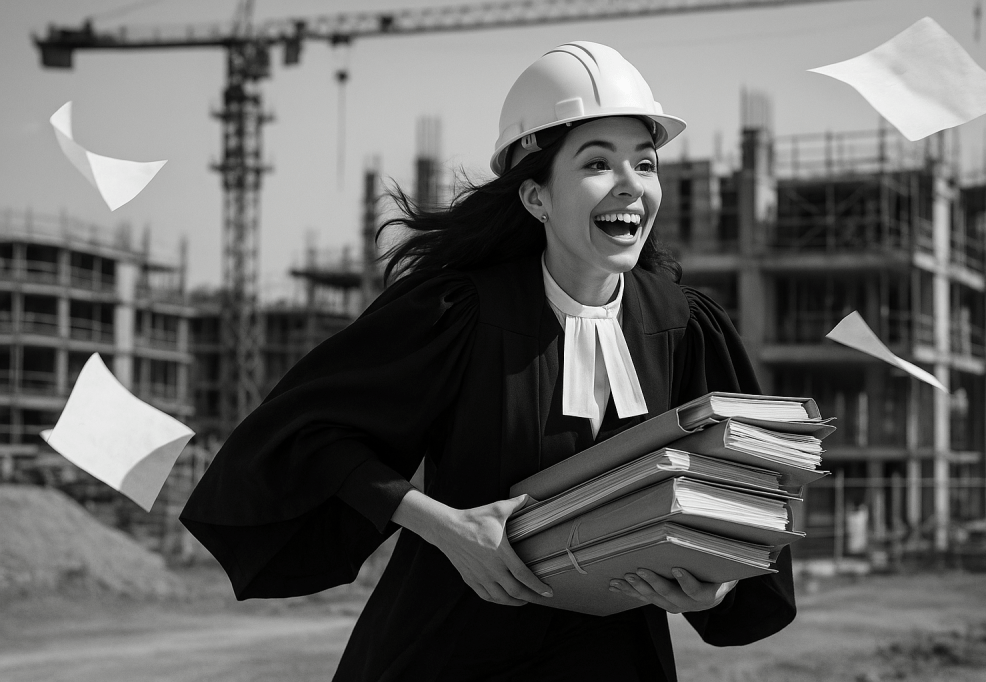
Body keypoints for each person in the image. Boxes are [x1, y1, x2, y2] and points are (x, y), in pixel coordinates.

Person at [181, 41, 796, 682]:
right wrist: (447, 528)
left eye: (645, 164)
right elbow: (309, 438)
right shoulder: (459, 313)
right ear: (535, 198)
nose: (631, 185)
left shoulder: (683, 325)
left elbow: (744, 493)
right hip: (450, 645)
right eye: (597, 163)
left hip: (614, 655)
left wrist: (713, 585)